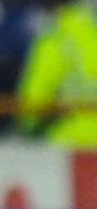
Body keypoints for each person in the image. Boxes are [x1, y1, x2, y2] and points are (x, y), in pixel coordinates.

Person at [15, 0, 97, 146]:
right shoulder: (92, 30)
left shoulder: (55, 39)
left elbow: (31, 105)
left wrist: (26, 125)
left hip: (68, 141)